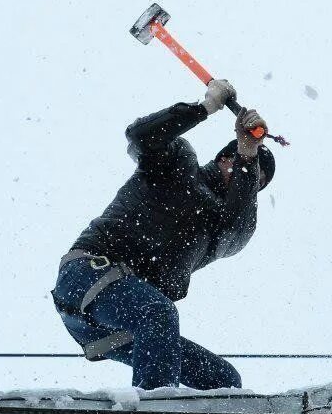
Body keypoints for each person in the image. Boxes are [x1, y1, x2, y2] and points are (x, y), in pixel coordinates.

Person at [52, 79, 275, 390]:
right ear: (225, 158)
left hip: (115, 320)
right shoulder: (177, 163)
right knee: (158, 313)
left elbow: (240, 227)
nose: (247, 182)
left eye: (255, 183)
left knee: (224, 380)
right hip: (88, 274)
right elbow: (141, 136)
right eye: (238, 167)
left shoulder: (222, 229)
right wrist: (203, 108)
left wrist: (249, 155)